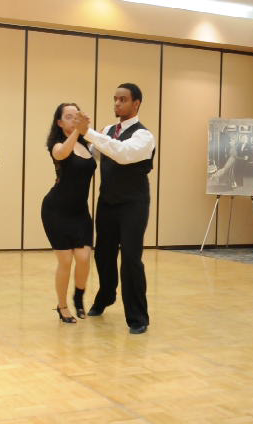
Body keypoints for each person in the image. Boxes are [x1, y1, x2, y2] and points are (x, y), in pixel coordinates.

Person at [74, 83, 155, 334]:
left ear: (136, 103)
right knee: (103, 254)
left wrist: (89, 133)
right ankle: (106, 296)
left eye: (123, 99)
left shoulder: (144, 136)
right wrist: (73, 133)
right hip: (108, 201)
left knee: (130, 258)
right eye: (115, 99)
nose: (117, 103)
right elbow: (95, 153)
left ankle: (138, 317)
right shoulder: (108, 130)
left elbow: (121, 153)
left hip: (133, 204)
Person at [41, 103, 96, 323]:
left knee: (84, 258)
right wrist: (77, 131)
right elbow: (62, 153)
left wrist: (89, 132)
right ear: (59, 122)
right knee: (65, 261)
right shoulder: (56, 145)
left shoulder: (87, 145)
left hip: (80, 211)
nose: (73, 119)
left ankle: (78, 297)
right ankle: (62, 306)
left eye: (76, 116)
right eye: (69, 116)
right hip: (56, 210)